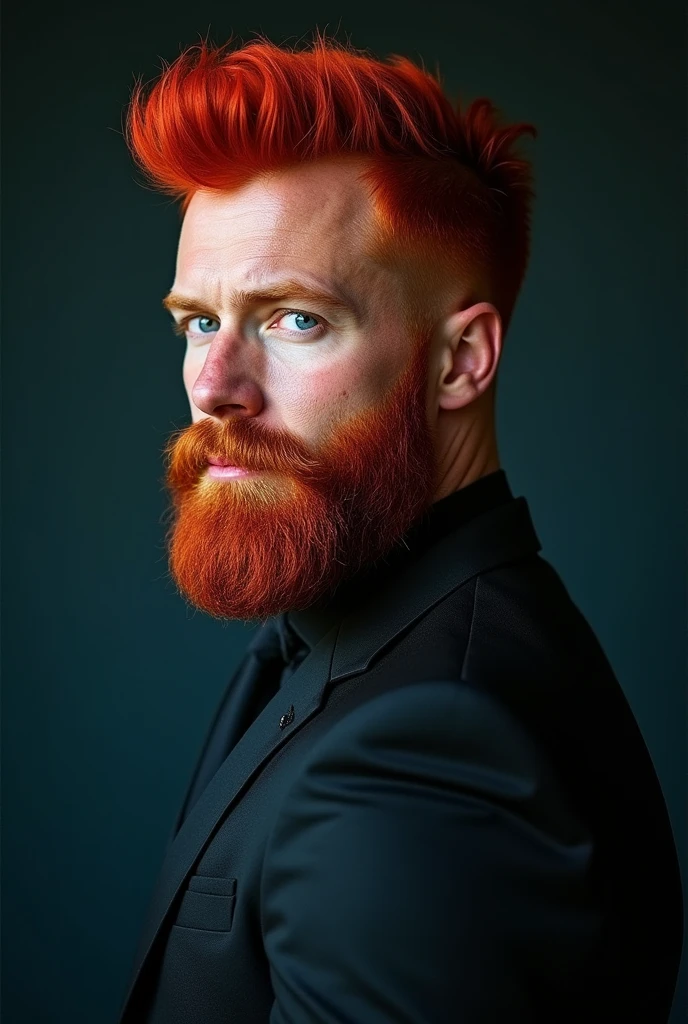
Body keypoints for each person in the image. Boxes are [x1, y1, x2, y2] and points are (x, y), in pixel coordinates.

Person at [116, 31, 683, 1024]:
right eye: (198, 321)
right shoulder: (354, 628)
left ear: (461, 361)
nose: (212, 386)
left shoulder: (429, 760)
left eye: (293, 318)